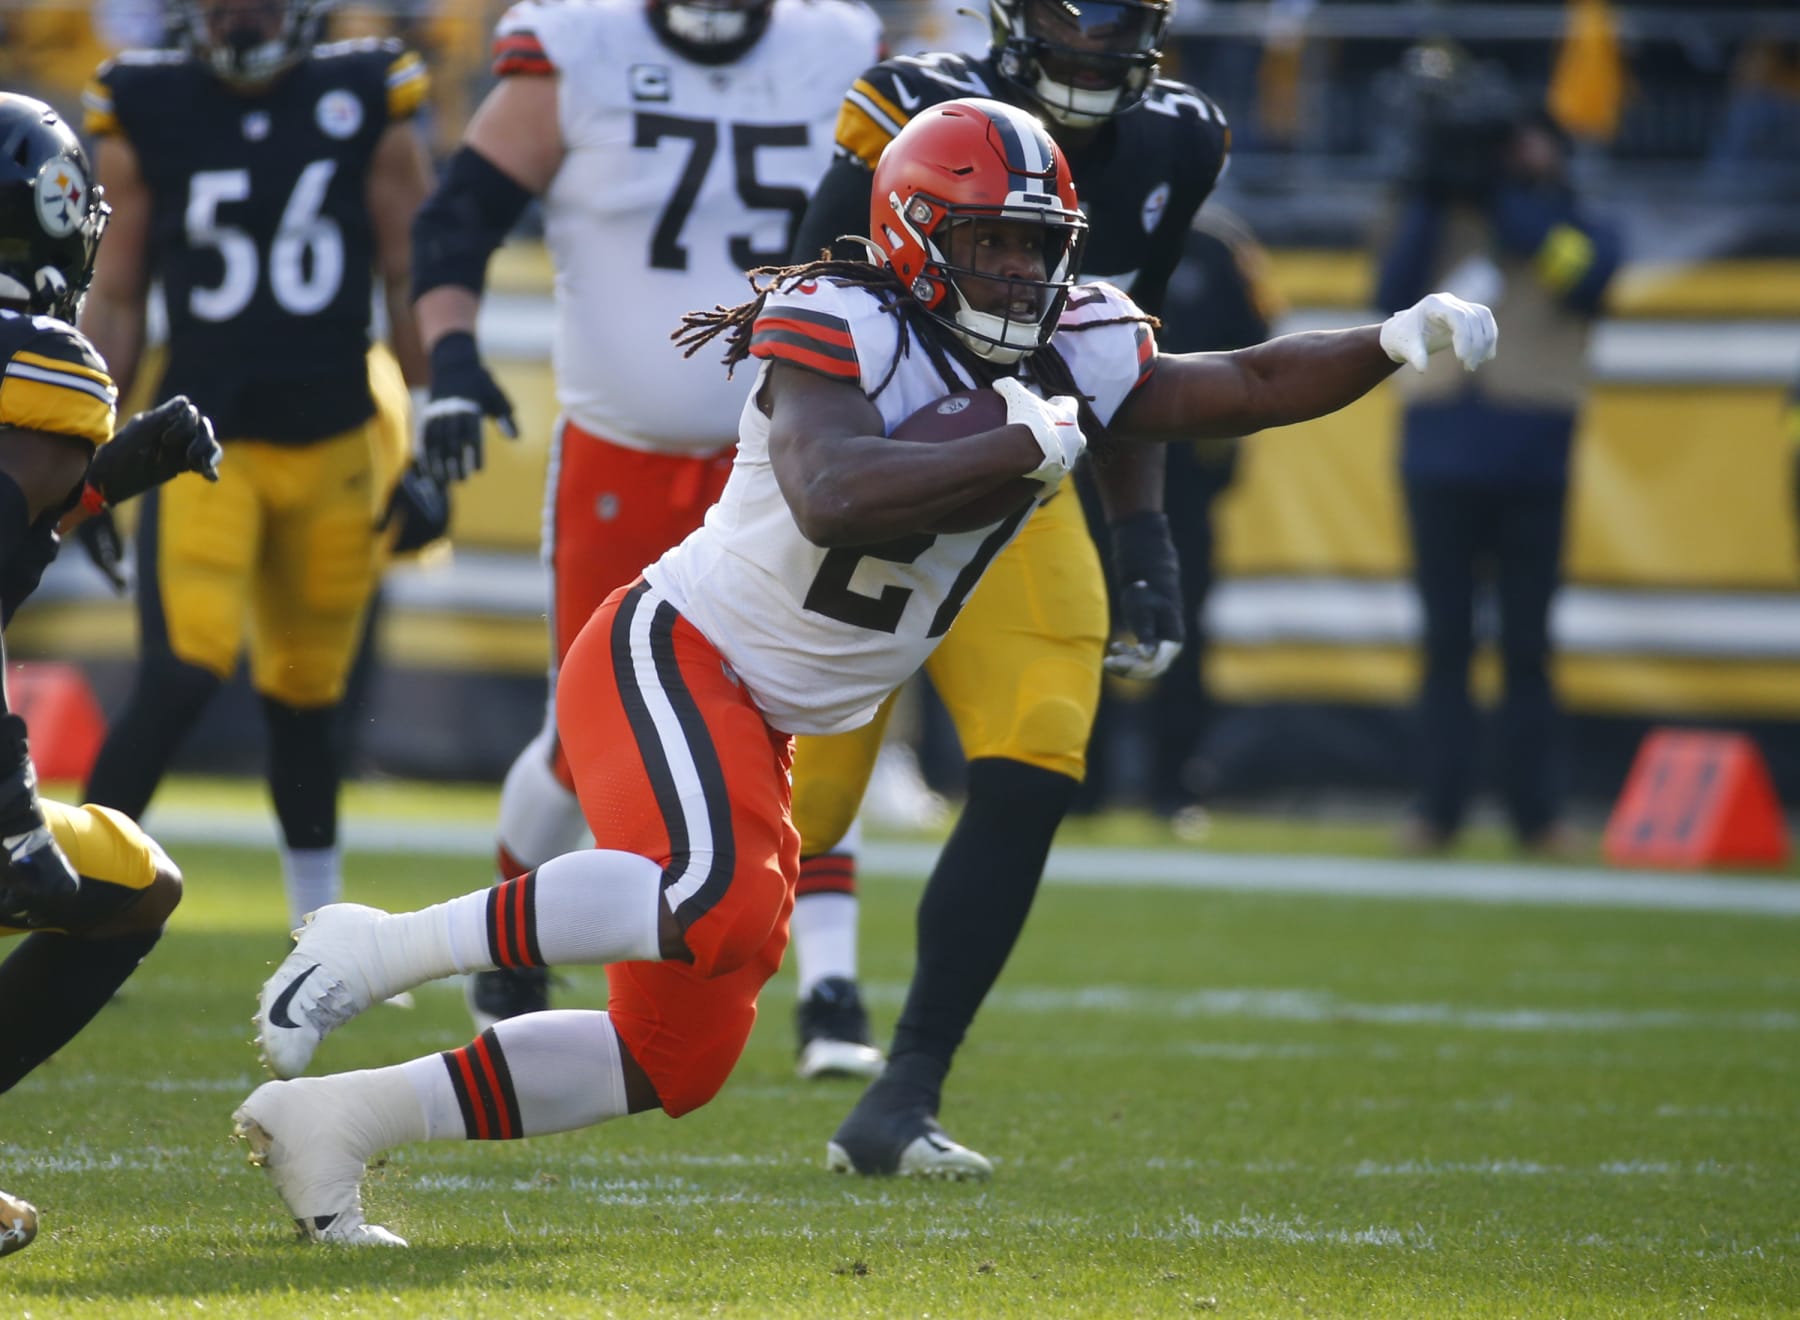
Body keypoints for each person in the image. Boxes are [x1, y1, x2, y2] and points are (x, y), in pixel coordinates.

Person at [230, 96, 1495, 1244]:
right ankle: (382, 943)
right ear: (913, 233)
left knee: (676, 1059)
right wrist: (1011, 443)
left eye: (1036, 246)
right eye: (990, 243)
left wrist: (1392, 341)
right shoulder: (842, 317)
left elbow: (1249, 382)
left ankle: (340, 1122)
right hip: (674, 651)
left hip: (770, 716)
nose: (1018, 271)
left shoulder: (1070, 346)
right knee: (714, 899)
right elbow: (831, 493)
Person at [780, 0, 1227, 1138]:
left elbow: (1122, 361)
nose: (1097, 37)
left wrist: (1143, 537)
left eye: (1123, 14)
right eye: (1075, 10)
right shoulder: (910, 105)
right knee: (796, 814)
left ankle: (910, 1085)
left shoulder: (1178, 139)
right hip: (877, 494)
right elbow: (805, 317)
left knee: (1037, 752)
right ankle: (491, 948)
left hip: (1023, 490)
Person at [405, 0, 884, 1033]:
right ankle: (506, 948)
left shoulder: (841, 47)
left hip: (786, 453)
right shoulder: (578, 43)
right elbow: (458, 214)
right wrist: (451, 358)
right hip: (621, 452)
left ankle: (830, 984)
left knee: (804, 706)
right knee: (582, 735)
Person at [75, 0, 438, 932]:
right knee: (181, 672)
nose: (240, 21)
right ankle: (77, 907)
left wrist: (432, 431)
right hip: (203, 446)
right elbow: (117, 296)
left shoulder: (368, 90)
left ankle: (320, 932)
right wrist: (86, 451)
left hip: (336, 439)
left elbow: (412, 271)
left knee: (309, 697)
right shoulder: (145, 103)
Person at [0, 91, 222, 1259]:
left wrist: (97, 486)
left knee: (132, 875)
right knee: (134, 889)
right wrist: (7, 800)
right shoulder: (38, 367)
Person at [1377, 51, 1620, 858]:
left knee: (1527, 647)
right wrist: (1432, 187)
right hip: (1439, 454)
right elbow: (1390, 293)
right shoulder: (1431, 216)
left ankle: (1536, 814)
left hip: (1531, 457)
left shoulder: (1576, 225)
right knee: (1444, 644)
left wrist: (1506, 191)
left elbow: (1585, 280)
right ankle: (1436, 809)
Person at [1076, 208, 1276, 820]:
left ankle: (1176, 783)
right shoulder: (1079, 238)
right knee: (1080, 621)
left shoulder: (1217, 248)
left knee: (1179, 624)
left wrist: (1218, 457)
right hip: (1083, 465)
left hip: (1184, 479)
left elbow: (1256, 351)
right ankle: (1077, 778)